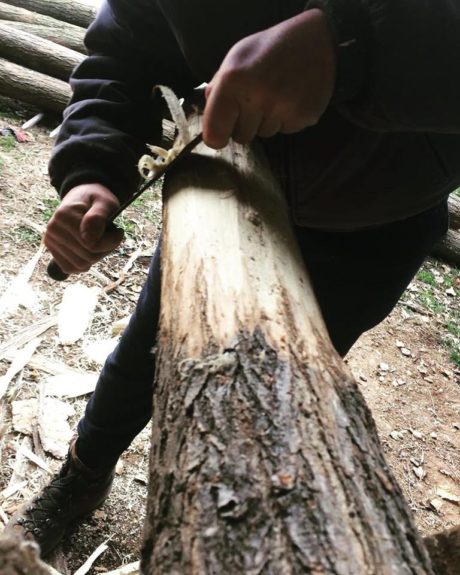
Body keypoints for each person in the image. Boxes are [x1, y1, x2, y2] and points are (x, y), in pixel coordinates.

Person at [5, 0, 460, 557]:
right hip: (226, 194)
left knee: (279, 384)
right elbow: (124, 50)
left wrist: (352, 41)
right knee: (143, 357)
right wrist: (92, 170)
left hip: (378, 222)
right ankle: (84, 472)